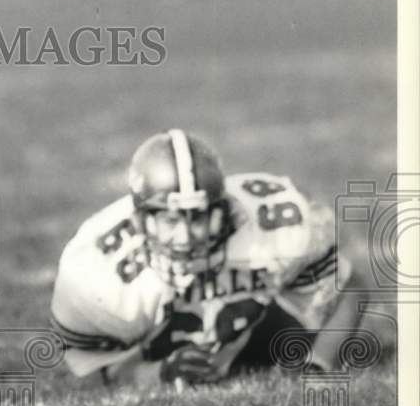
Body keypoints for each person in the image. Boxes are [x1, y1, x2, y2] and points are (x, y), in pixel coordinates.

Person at [50, 129, 363, 389]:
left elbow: (350, 288)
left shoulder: (269, 222)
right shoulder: (97, 268)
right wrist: (159, 372)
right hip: (151, 345)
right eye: (171, 221)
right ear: (144, 220)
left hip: (256, 332)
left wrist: (319, 365)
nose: (186, 237)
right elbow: (91, 377)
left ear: (222, 210)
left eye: (198, 218)